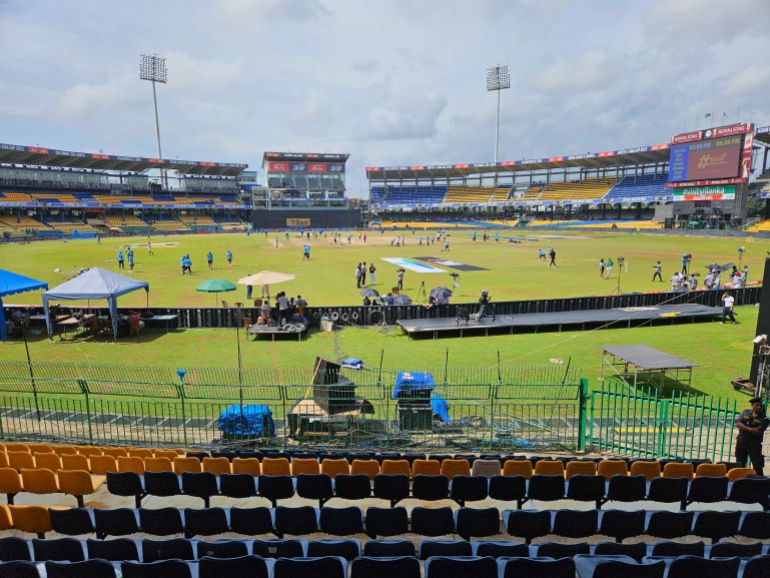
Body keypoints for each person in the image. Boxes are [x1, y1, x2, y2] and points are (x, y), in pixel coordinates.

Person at [734, 397, 768, 476]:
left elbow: (758, 431)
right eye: (757, 405)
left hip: (754, 445)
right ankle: (740, 482)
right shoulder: (745, 412)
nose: (759, 407)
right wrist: (750, 429)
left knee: (757, 466)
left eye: (760, 405)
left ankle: (760, 484)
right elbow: (738, 423)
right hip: (741, 443)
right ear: (752, 405)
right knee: (740, 464)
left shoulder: (764, 418)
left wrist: (745, 427)